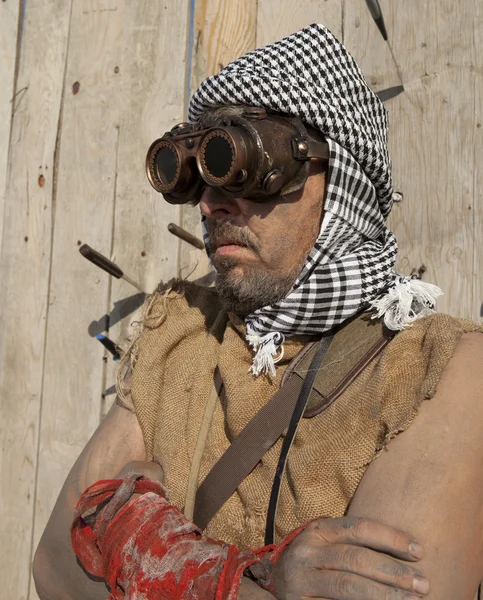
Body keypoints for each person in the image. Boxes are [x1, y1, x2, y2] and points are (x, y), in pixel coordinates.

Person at [33, 24, 483, 600]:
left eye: (244, 162)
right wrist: (218, 576)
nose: (214, 201)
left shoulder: (437, 369)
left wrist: (132, 547)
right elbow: (54, 567)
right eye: (201, 168)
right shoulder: (183, 334)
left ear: (340, 175)